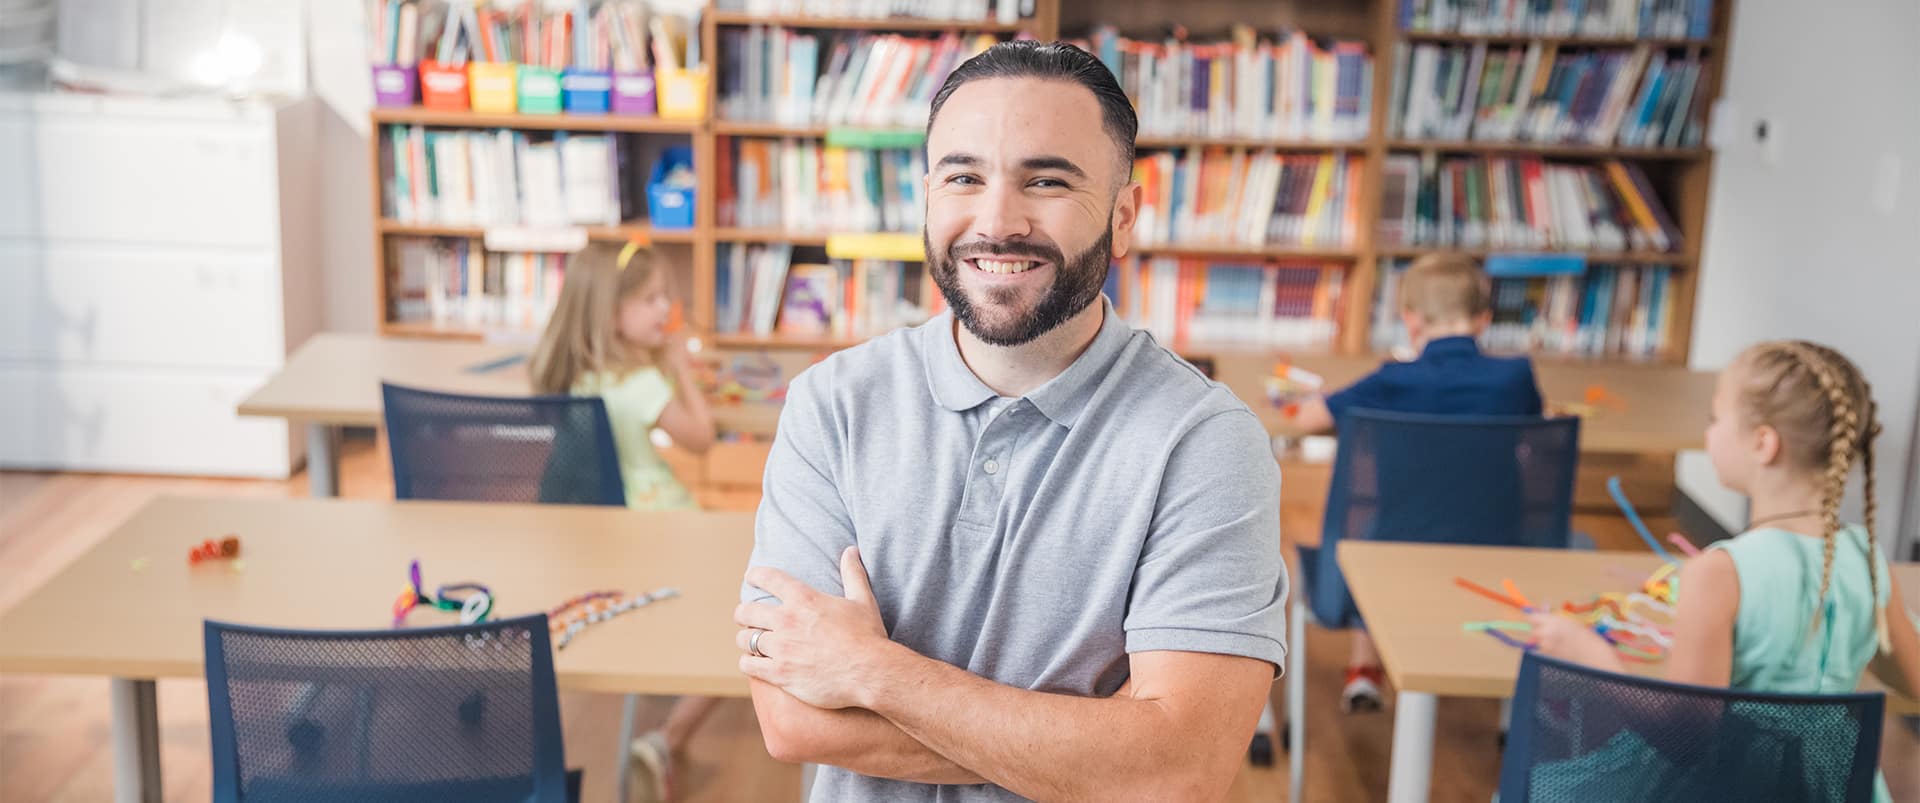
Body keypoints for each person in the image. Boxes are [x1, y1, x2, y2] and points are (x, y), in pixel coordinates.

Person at [733, 41, 1287, 801]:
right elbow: (794, 722)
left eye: (1047, 180)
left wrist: (874, 671)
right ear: (926, 196)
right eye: (964, 177)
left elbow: (1181, 770)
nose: (997, 221)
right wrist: (1104, 746)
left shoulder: (1207, 443)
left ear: (1123, 217)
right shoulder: (831, 403)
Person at [1531, 340, 1920, 802]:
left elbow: (1685, 739)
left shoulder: (1720, 573)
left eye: (1716, 418)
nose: (1708, 432)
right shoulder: (1867, 559)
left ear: (1763, 443)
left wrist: (1590, 656)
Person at [1290, 252, 1543, 712]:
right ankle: (1508, 690)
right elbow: (1533, 426)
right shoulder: (1516, 377)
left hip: (1394, 548)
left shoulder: (1391, 380)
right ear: (1483, 320)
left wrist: (1312, 397)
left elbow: (1308, 419)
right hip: (1498, 547)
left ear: (1411, 322)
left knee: (1368, 534)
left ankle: (1364, 670)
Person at [528, 241, 719, 801]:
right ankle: (667, 738)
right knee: (756, 615)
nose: (666, 309)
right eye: (651, 299)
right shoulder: (640, 385)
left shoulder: (575, 374)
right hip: (659, 528)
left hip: (597, 535)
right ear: (613, 314)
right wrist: (681, 370)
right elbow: (701, 439)